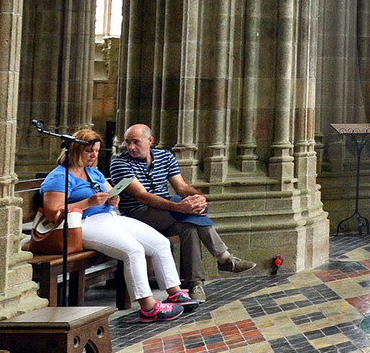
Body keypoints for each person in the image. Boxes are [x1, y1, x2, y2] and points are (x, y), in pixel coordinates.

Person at [39, 129, 190, 320]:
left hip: (108, 218)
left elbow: (110, 192)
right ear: (75, 149)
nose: (93, 156)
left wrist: (113, 199)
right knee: (133, 250)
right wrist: (88, 203)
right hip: (82, 224)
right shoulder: (60, 177)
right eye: (88, 151)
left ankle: (175, 293)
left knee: (159, 242)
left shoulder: (93, 172)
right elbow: (54, 213)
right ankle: (149, 307)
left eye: (96, 151)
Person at [112, 123, 239, 292]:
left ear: (150, 140)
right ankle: (224, 257)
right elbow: (141, 196)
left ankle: (195, 284)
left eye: (136, 142)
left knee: (189, 228)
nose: (130, 147)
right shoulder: (119, 162)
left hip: (166, 212)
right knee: (185, 209)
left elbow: (181, 187)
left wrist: (198, 198)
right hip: (137, 214)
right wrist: (179, 207)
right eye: (128, 142)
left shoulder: (165, 156)